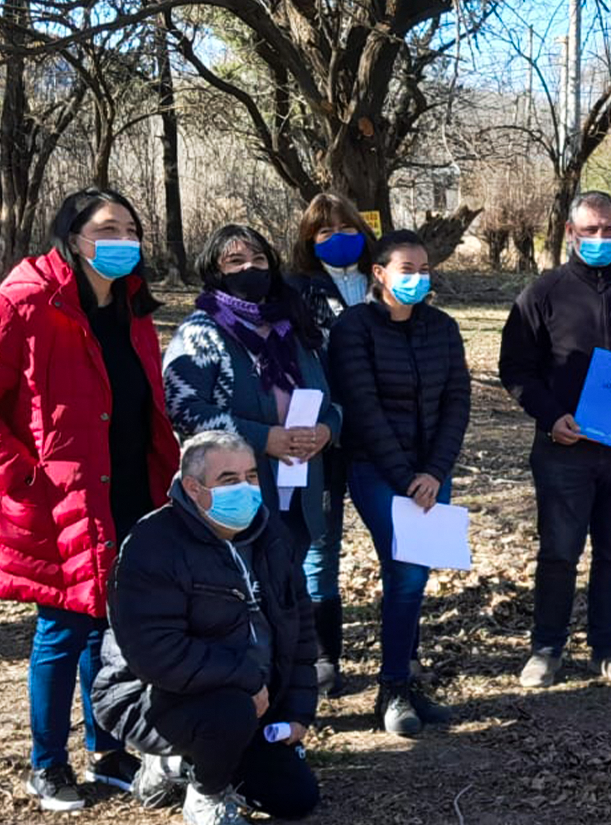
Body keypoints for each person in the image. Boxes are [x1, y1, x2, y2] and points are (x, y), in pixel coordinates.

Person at [0, 188, 180, 813]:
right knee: (64, 629)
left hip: (131, 491)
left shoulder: (133, 308)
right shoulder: (21, 304)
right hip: (57, 500)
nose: (122, 238)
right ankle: (47, 765)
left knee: (111, 628)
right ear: (73, 236)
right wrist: (20, 475)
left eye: (131, 227)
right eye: (107, 227)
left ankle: (110, 747)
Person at [498, 190, 611, 688]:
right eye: (590, 230)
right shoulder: (543, 293)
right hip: (564, 447)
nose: (600, 238)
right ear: (570, 233)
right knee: (559, 551)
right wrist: (549, 415)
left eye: (610, 230)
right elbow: (515, 368)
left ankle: (608, 650)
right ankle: (546, 648)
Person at [93, 431, 319, 825]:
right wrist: (247, 679)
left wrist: (299, 711)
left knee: (295, 797)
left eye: (252, 476)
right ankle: (205, 794)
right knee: (228, 713)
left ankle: (183, 765)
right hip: (152, 699)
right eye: (229, 480)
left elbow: (300, 630)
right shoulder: (152, 545)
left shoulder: (272, 538)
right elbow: (156, 655)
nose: (247, 490)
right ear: (193, 488)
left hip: (254, 699)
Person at [328, 230, 469, 735]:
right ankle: (392, 691)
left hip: (433, 471)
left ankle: (407, 677)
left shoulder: (443, 328)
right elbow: (363, 410)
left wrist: (434, 471)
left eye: (424, 270)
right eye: (406, 270)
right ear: (380, 274)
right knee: (405, 573)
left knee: (415, 574)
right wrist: (407, 477)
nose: (417, 279)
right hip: (377, 470)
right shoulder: (354, 328)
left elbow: (458, 402)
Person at [162, 225, 342, 607]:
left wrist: (328, 429)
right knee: (249, 591)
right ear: (215, 271)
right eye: (236, 261)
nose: (250, 269)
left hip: (301, 483)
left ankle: (300, 663)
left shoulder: (296, 329)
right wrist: (265, 438)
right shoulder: (200, 333)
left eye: (259, 260)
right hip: (237, 491)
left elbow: (335, 398)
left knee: (292, 587)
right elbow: (184, 411)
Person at [283, 193, 382, 697]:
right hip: (320, 436)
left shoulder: (385, 282)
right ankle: (324, 656)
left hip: (383, 435)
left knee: (399, 547)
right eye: (323, 231)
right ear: (307, 241)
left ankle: (401, 655)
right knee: (320, 547)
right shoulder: (292, 291)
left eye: (346, 226)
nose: (337, 237)